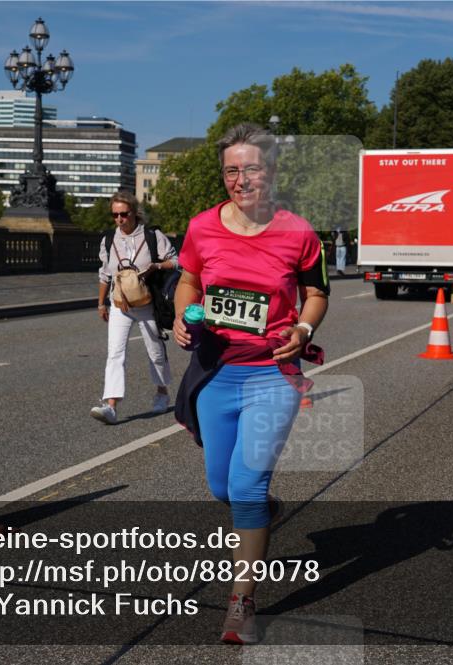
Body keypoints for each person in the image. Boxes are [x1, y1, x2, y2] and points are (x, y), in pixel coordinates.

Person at [171, 123, 329, 643]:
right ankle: (265, 513)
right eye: (232, 171)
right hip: (217, 372)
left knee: (245, 486)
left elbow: (315, 293)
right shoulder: (200, 228)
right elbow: (189, 282)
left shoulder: (299, 232)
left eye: (251, 169)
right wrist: (179, 316)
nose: (241, 180)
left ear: (272, 172)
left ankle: (241, 603)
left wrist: (303, 327)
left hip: (272, 376)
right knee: (222, 485)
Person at [91, 191, 178, 424]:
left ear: (134, 213)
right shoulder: (109, 239)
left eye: (124, 214)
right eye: (115, 215)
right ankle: (110, 405)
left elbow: (176, 260)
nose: (119, 219)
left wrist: (157, 267)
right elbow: (105, 274)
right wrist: (101, 303)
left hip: (147, 301)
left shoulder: (152, 236)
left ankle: (162, 392)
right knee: (115, 353)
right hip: (120, 303)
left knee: (155, 351)